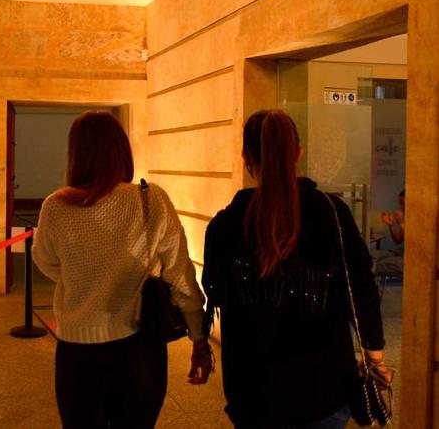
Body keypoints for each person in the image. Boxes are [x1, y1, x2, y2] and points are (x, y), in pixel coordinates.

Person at [202, 109, 392, 428]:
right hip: (324, 387)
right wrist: (374, 355)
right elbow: (361, 286)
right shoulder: (331, 213)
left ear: (245, 156)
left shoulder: (225, 224)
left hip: (253, 391)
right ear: (298, 154)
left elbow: (214, 292)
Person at [32, 110, 212, 429]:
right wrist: (198, 336)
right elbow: (179, 275)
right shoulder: (150, 200)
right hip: (139, 350)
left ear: (75, 154)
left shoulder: (55, 207)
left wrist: (82, 276)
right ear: (121, 151)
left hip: (77, 354)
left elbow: (45, 260)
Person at [372, 190, 405, 275]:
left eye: (404, 203)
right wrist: (390, 225)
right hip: (401, 252)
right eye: (400, 203)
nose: (402, 207)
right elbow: (398, 240)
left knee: (377, 265)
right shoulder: (406, 217)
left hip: (413, 258)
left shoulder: (420, 219)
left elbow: (415, 242)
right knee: (372, 255)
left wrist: (401, 222)